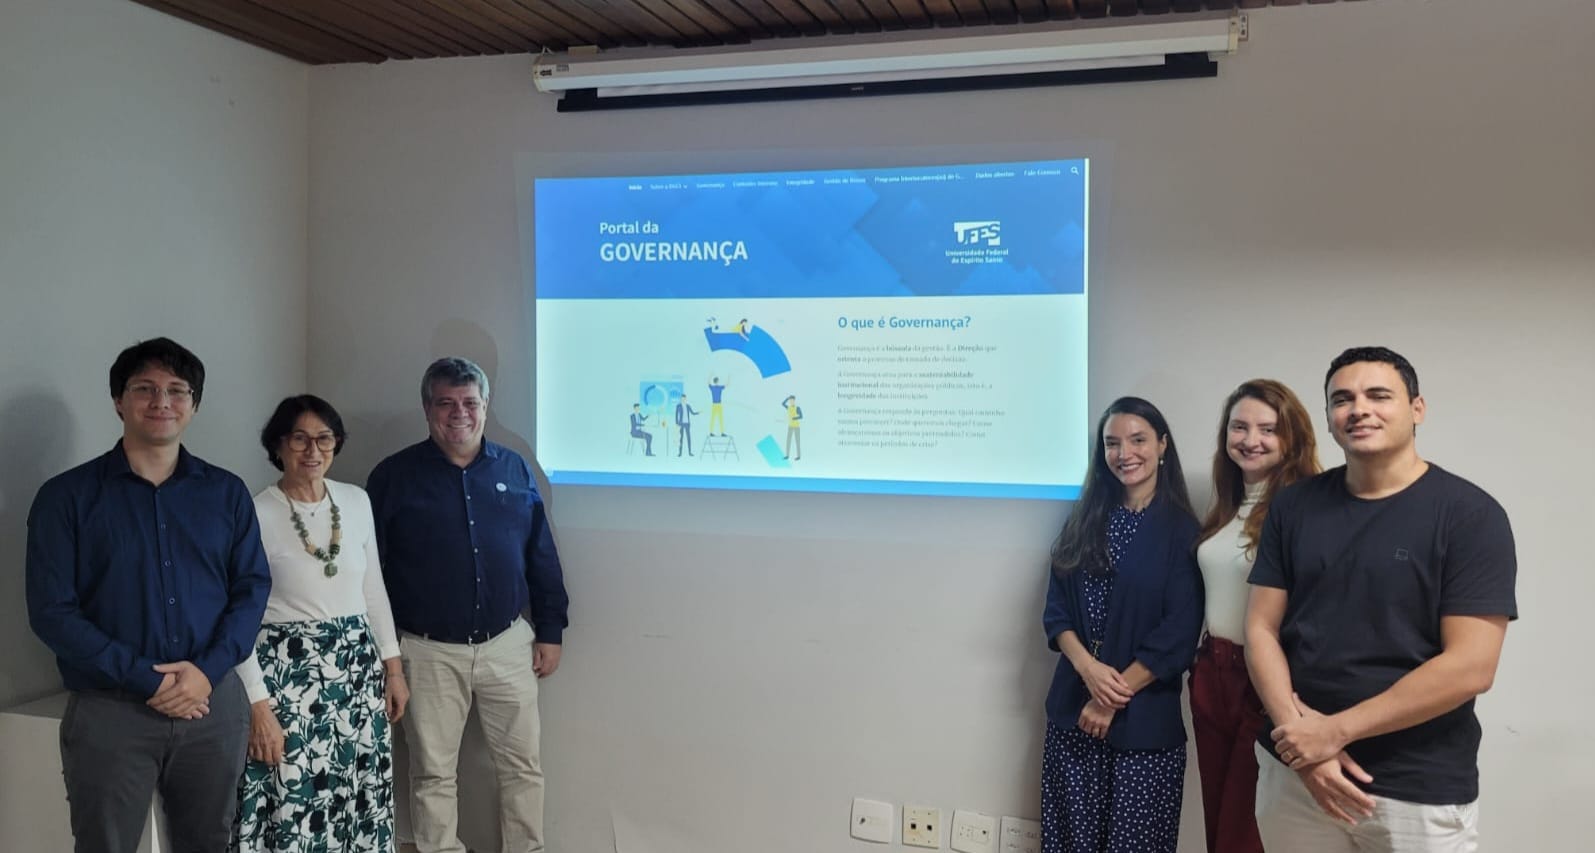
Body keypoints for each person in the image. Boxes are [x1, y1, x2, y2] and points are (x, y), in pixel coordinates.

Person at [1246, 347, 1517, 852]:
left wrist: (1334, 733)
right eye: (1342, 399)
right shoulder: (1293, 507)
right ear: (1328, 418)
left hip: (1415, 787)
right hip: (1295, 774)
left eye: (1378, 395)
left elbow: (1471, 667)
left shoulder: (1470, 516)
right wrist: (1301, 740)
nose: (1358, 409)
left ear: (1417, 409)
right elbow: (1260, 628)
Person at [26, 337, 272, 853]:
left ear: (194, 404)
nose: (162, 401)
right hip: (111, 711)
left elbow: (251, 589)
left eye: (177, 390)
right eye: (145, 388)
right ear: (119, 399)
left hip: (212, 706)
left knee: (208, 842)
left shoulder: (226, 493)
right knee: (105, 844)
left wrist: (204, 673)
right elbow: (52, 612)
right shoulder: (65, 498)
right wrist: (145, 679)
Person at [367, 357, 570, 853]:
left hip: (509, 644)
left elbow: (540, 552)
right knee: (433, 773)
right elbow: (369, 574)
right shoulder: (393, 477)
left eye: (470, 403)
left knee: (523, 766)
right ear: (427, 409)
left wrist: (550, 629)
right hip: (426, 651)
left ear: (485, 406)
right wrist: (387, 653)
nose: (459, 413)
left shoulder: (514, 467)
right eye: (446, 403)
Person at [232, 395, 409, 852]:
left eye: (324, 438)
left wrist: (393, 670)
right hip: (288, 678)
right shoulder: (254, 512)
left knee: (357, 791)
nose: (313, 450)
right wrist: (257, 704)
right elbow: (237, 616)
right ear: (278, 445)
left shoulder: (356, 501)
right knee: (294, 798)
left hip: (356, 672)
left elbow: (373, 590)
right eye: (300, 438)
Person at [1040, 397, 1203, 853]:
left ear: (1162, 445)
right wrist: (1088, 672)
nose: (1124, 453)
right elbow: (1057, 612)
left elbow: (1179, 634)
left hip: (1144, 723)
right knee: (1069, 842)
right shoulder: (1084, 518)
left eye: (1137, 440)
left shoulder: (1184, 532)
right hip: (1073, 712)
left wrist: (1110, 698)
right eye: (1112, 443)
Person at [1191, 380, 1320, 853]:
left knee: (1244, 835)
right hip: (1211, 672)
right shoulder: (1226, 505)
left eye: (1268, 429)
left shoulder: (1304, 508)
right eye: (1239, 426)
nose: (1251, 439)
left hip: (1264, 680)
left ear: (1291, 439)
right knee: (1218, 824)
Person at [782, 395, 801, 461]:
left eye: (792, 400)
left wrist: (795, 418)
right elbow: (783, 404)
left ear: (794, 401)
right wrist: (787, 398)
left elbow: (801, 416)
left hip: (796, 427)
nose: (791, 401)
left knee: (797, 441)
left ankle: (798, 456)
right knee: (788, 441)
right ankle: (787, 455)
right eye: (790, 400)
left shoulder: (797, 408)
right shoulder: (788, 408)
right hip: (790, 426)